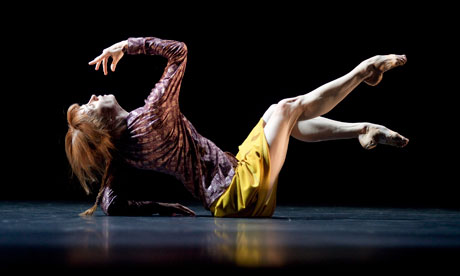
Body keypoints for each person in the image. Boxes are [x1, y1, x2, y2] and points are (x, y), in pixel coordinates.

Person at [65, 36, 409, 218]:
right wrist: (127, 45)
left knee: (283, 120)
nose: (94, 95)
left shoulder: (122, 152)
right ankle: (363, 72)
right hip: (238, 190)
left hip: (233, 192)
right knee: (285, 108)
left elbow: (111, 202)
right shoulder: (152, 114)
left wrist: (162, 208)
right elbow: (178, 52)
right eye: (90, 104)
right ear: (103, 123)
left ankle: (361, 130)